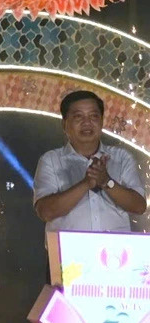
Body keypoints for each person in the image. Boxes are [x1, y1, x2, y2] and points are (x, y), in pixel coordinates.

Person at [33, 90, 146, 233]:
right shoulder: (51, 160)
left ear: (101, 122)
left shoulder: (121, 158)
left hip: (114, 253)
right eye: (78, 116)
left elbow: (139, 207)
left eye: (93, 116)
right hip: (69, 253)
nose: (87, 122)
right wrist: (86, 183)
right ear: (65, 124)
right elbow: (45, 212)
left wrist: (106, 182)